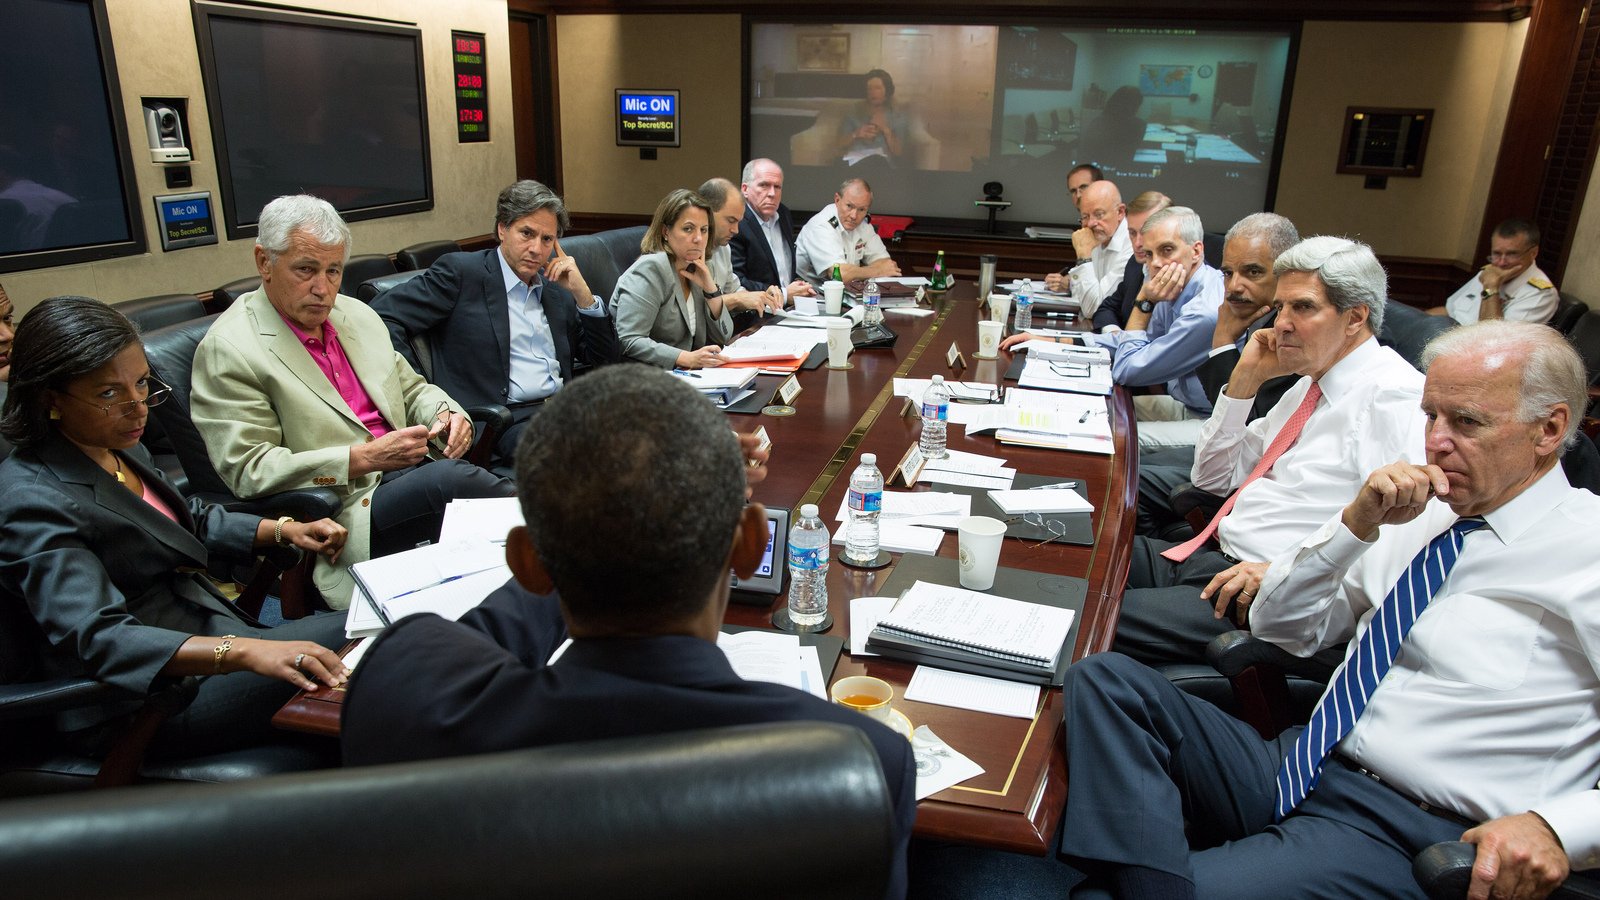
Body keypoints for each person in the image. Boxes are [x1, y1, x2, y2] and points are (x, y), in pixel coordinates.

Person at [1057, 321, 1597, 899]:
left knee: (1101, 892)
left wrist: (1557, 828)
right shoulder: (1423, 514)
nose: (1435, 441)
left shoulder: (1586, 549)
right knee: (1103, 678)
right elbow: (1281, 626)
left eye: (1465, 422)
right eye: (1430, 416)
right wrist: (1353, 527)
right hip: (1303, 758)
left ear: (1550, 428)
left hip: (1404, 825)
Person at [341, 365, 917, 898]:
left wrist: (580, 533)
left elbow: (475, 631)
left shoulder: (403, 687)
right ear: (750, 545)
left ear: (528, 564)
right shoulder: (864, 761)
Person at [0, 296, 350, 755]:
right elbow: (101, 637)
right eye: (109, 393)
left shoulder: (113, 444)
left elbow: (181, 520)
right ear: (50, 399)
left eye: (142, 383)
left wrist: (281, 530)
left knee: (379, 636)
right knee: (377, 641)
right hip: (145, 698)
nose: (137, 407)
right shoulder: (31, 499)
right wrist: (244, 651)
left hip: (207, 639)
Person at [1111, 236, 1427, 667]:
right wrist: (1242, 383)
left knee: (1084, 615)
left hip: (1257, 595)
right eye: (1281, 307)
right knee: (1081, 553)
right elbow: (1213, 479)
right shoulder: (1310, 382)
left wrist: (1283, 576)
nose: (1282, 323)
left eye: (1303, 307)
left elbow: (1395, 537)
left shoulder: (1395, 397)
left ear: (1355, 317)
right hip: (1210, 558)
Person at [191, 195, 514, 609]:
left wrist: (445, 412)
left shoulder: (355, 315)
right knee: (453, 484)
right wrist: (361, 458)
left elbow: (412, 388)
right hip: (342, 508)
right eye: (306, 270)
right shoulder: (231, 348)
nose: (323, 288)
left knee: (487, 556)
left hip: (413, 470)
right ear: (264, 261)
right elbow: (250, 469)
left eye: (334, 270)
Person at [370, 180, 620, 468]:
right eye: (527, 233)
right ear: (503, 228)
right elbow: (382, 316)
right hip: (503, 420)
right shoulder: (462, 273)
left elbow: (605, 362)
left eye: (547, 239)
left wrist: (583, 295)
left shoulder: (556, 289)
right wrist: (419, 386)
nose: (536, 249)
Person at [1003, 206, 1224, 449]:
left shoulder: (1204, 311)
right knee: (1083, 412)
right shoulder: (1175, 287)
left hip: (1213, 423)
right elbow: (1134, 343)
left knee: (1109, 437)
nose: (1156, 264)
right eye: (1149, 255)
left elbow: (1127, 370)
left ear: (1196, 251)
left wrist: (1144, 302)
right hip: (1185, 405)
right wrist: (1050, 341)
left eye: (1167, 250)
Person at [1135, 212, 1301, 532]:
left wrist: (1222, 340)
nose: (1235, 286)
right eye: (1228, 272)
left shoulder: (1290, 334)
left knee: (1129, 470)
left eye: (1252, 272)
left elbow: (1242, 420)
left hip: (1253, 472)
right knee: (1130, 464)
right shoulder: (1253, 317)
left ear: (1287, 273)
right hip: (1223, 448)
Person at [613, 188, 733, 369]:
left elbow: (724, 335)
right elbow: (630, 340)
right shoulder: (650, 270)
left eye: (704, 230)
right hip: (649, 379)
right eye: (688, 229)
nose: (699, 238)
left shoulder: (701, 267)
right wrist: (686, 358)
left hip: (691, 376)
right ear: (665, 232)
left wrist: (711, 290)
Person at [698, 176, 788, 333]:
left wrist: (760, 297)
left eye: (738, 222)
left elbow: (734, 289)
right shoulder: (685, 251)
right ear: (707, 212)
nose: (736, 230)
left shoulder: (723, 248)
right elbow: (691, 308)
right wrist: (737, 299)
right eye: (731, 220)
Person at [1430, 218, 1558, 325]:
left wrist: (1491, 287)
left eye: (1511, 254)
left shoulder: (1540, 294)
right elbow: (1448, 311)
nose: (1501, 263)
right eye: (1496, 254)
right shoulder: (1490, 271)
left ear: (1533, 253)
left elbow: (1493, 340)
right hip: (1445, 336)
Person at [728, 158, 814, 301]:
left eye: (777, 187)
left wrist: (798, 288)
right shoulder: (737, 223)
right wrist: (785, 293)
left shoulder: (784, 214)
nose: (772, 193)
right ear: (745, 189)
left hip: (791, 308)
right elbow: (736, 282)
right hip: (756, 314)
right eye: (764, 185)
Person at [1045, 180, 1132, 320]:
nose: (1091, 223)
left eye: (1099, 214)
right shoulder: (1097, 236)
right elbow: (1082, 297)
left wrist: (1084, 257)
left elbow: (1095, 309)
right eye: (1085, 217)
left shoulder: (1132, 245)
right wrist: (1068, 285)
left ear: (1120, 212)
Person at [794, 177, 902, 286]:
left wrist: (856, 272)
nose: (854, 216)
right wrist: (878, 271)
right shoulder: (821, 226)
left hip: (847, 294)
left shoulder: (863, 226)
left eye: (861, 209)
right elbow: (839, 275)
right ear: (837, 200)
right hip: (810, 295)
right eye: (849, 206)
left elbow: (887, 265)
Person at [1090, 190, 1170, 334]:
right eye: (1132, 233)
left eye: (1145, 232)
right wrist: (1113, 332)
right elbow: (1106, 309)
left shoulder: (1187, 277)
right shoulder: (1135, 265)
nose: (1138, 243)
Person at [838, 68, 910, 168]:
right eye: (869, 88)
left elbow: (898, 152)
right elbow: (840, 144)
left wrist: (885, 129)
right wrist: (856, 134)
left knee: (877, 161)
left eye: (877, 88)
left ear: (887, 91)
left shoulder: (897, 116)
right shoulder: (853, 112)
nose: (872, 92)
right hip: (854, 162)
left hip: (882, 165)